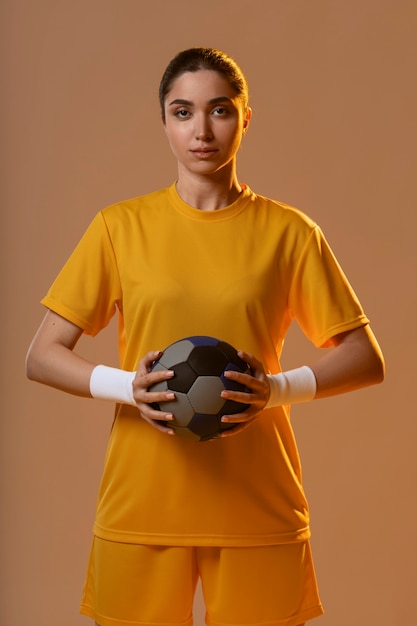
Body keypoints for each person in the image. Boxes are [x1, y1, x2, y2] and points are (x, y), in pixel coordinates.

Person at [26, 47, 385, 626]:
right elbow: (41, 356)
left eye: (219, 110)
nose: (201, 130)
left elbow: (365, 358)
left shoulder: (289, 233)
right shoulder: (119, 227)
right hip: (141, 504)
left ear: (245, 118)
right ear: (164, 122)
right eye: (183, 112)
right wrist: (129, 388)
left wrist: (275, 388)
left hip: (255, 506)